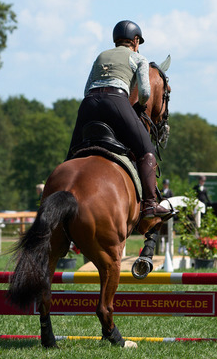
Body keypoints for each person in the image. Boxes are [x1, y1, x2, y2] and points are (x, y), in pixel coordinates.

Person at [67, 20, 170, 219]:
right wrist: (139, 106)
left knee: (72, 152)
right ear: (136, 40)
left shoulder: (101, 56)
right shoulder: (138, 57)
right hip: (116, 101)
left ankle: (53, 193)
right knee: (147, 150)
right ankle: (150, 204)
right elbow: (145, 92)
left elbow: (87, 89)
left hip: (88, 104)